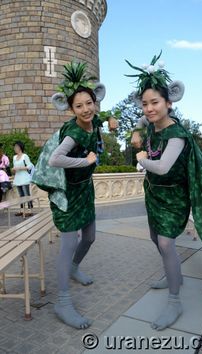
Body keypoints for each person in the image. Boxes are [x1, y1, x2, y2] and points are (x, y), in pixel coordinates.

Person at [126, 52, 202, 331]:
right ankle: (172, 274)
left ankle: (175, 300)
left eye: (155, 102)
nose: (149, 109)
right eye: (144, 104)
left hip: (174, 196)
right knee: (156, 237)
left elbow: (164, 167)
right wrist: (135, 129)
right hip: (153, 194)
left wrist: (141, 158)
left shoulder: (177, 134)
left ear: (169, 103)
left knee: (167, 243)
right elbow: (143, 123)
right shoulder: (152, 124)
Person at [47, 61, 117, 329]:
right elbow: (55, 160)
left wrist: (111, 119)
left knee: (89, 237)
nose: (86, 109)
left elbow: (101, 118)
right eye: (79, 106)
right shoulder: (74, 132)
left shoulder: (91, 119)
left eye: (89, 103)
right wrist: (84, 162)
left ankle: (75, 268)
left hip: (84, 190)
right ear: (70, 108)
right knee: (67, 244)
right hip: (67, 195)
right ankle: (62, 302)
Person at [12, 141, 34, 216]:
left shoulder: (25, 156)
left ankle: (30, 210)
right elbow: (15, 167)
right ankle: (22, 210)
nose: (15, 148)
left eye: (16, 147)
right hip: (18, 178)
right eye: (14, 147)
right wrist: (14, 169)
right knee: (21, 195)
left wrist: (20, 168)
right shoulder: (14, 157)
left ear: (20, 147)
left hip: (24, 178)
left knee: (26, 194)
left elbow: (30, 166)